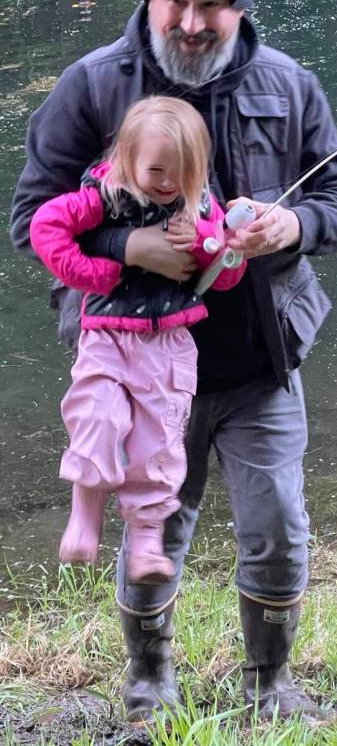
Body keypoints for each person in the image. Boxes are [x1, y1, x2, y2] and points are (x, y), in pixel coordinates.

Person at [10, 0, 337, 725]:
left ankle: (268, 682)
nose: (193, 22)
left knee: (276, 525)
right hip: (137, 374)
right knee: (153, 531)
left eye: (214, 4)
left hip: (258, 363)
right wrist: (133, 243)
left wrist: (292, 226)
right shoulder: (95, 85)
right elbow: (31, 214)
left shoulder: (288, 83)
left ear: (240, 7)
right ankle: (148, 677)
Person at [28, 96, 247, 585]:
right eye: (157, 171)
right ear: (127, 158)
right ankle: (84, 516)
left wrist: (212, 246)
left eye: (183, 174)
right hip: (106, 334)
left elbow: (225, 278)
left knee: (160, 439)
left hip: (169, 345)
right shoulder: (102, 196)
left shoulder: (199, 205)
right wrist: (96, 273)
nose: (169, 183)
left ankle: (147, 539)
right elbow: (45, 227)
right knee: (95, 416)